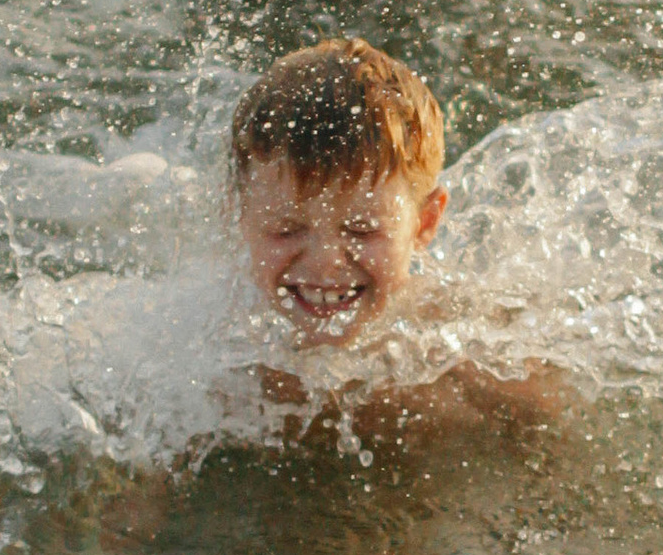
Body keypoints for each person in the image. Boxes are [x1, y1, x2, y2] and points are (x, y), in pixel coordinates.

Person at [230, 38, 563, 427]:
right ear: (239, 215)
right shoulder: (212, 364)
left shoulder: (466, 358)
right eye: (285, 229)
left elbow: (554, 438)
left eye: (361, 230)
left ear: (424, 223)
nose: (325, 263)